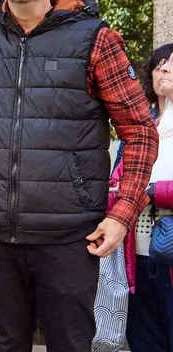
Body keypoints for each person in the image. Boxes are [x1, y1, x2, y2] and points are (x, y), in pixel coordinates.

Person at [0, 0, 158, 352]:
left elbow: (139, 130)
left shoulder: (95, 39)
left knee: (70, 344)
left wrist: (122, 213)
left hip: (69, 237)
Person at [111, 44, 173, 351]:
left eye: (172, 64)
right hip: (137, 251)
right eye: (160, 64)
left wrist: (154, 192)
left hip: (170, 249)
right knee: (144, 340)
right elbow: (118, 179)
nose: (164, 69)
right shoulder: (142, 127)